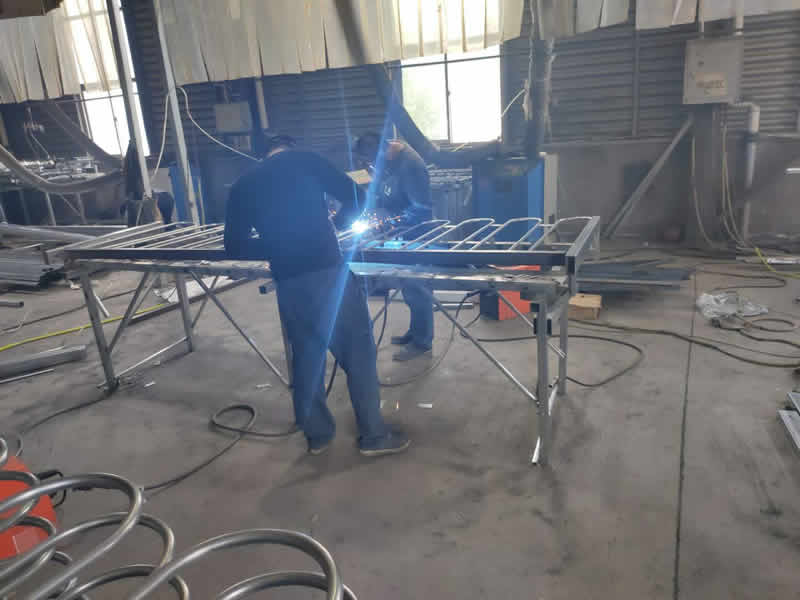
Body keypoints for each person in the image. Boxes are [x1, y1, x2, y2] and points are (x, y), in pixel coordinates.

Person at [224, 136, 409, 457]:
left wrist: (277, 246)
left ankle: (318, 437)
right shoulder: (306, 160)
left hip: (289, 284)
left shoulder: (243, 184)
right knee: (358, 353)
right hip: (327, 274)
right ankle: (373, 437)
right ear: (290, 148)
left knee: (307, 357)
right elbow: (358, 196)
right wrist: (334, 225)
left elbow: (234, 247)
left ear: (263, 156)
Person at [354, 132, 434, 362]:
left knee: (417, 287)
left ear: (384, 149)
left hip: (415, 235)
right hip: (401, 233)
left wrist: (389, 222)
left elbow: (421, 209)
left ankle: (422, 342)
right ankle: (415, 331)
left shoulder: (411, 166)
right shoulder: (391, 159)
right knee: (408, 286)